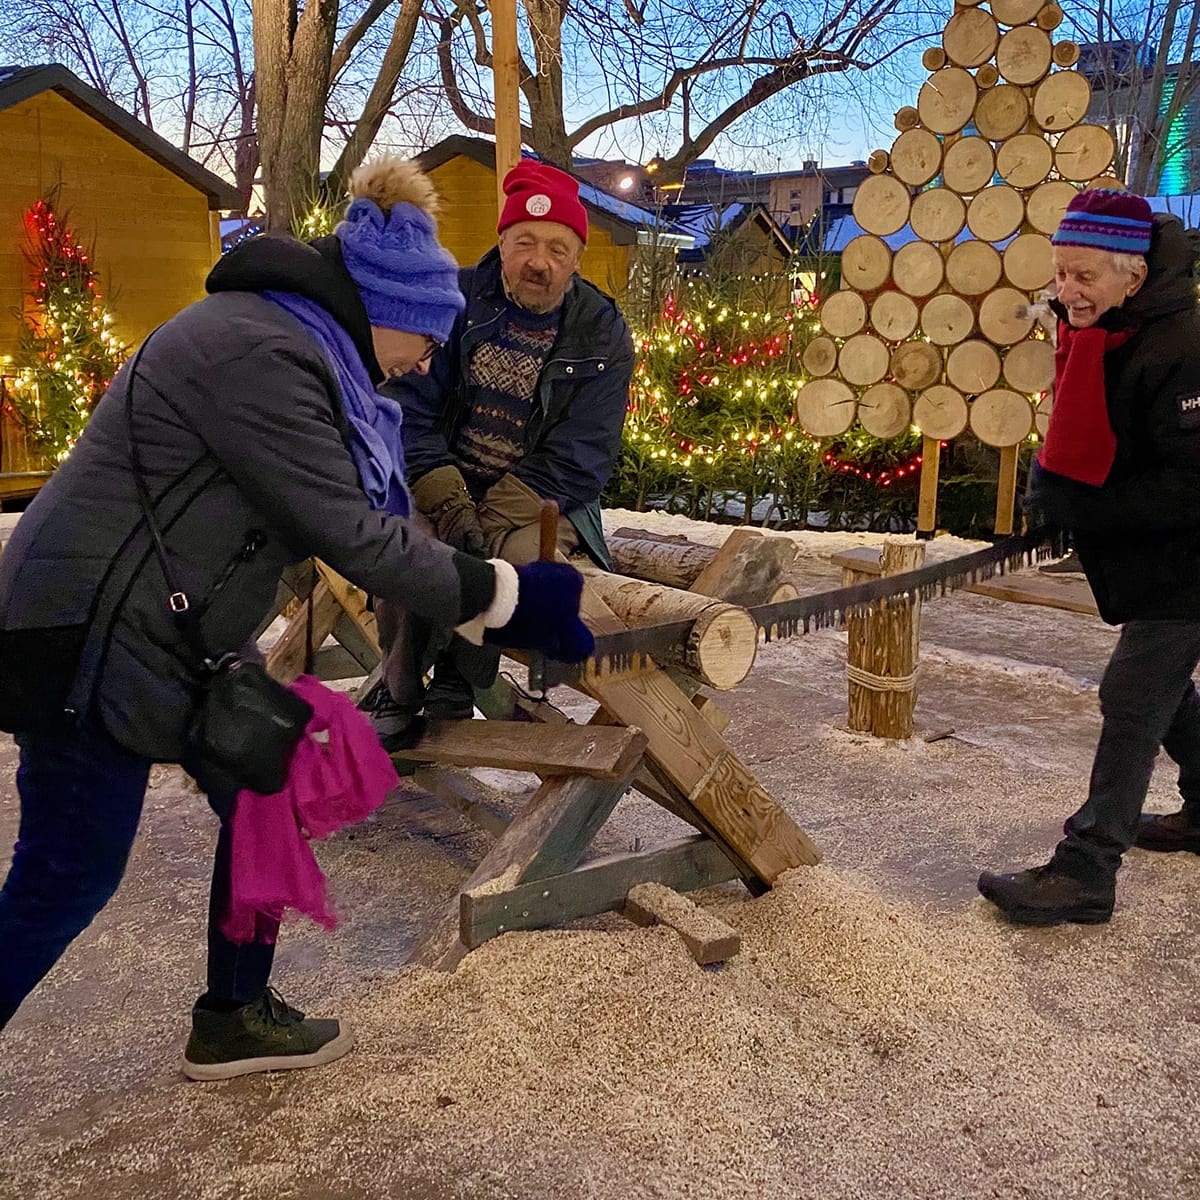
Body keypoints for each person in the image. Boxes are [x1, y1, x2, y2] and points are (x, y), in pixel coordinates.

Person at [0, 158, 591, 1077]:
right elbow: (347, 532)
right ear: (383, 308)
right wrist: (505, 597)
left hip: (171, 620)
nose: (424, 363)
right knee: (67, 872)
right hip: (92, 630)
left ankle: (233, 1016)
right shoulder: (263, 351)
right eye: (425, 340)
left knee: (263, 778)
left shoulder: (298, 345)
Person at [978, 189, 1200, 926]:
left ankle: (1086, 870)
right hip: (1158, 551)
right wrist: (1056, 499)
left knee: (1134, 697)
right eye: (1060, 273)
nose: (1066, 291)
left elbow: (1189, 485)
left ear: (1132, 275)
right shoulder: (1105, 333)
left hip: (1190, 556)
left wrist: (1089, 512)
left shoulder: (1181, 348)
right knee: (1162, 692)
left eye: (1084, 276)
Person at [361, 159, 634, 747]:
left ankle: (461, 674)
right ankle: (399, 686)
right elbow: (409, 408)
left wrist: (486, 518)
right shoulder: (452, 300)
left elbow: (584, 452)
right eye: (525, 243)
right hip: (437, 477)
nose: (539, 262)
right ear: (502, 243)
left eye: (558, 249)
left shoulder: (602, 330)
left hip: (542, 498)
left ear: (577, 259)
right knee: (406, 551)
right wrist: (451, 502)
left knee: (515, 564)